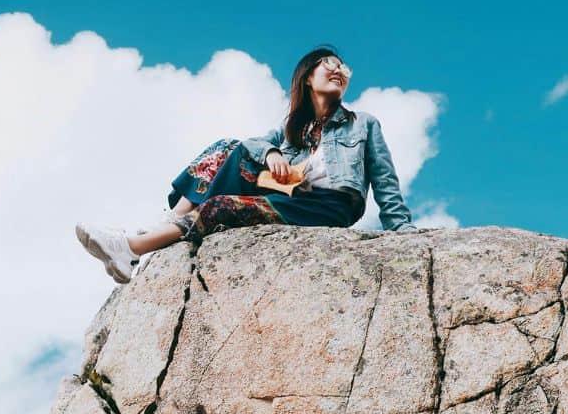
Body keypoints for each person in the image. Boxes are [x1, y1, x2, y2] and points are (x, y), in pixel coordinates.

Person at [75, 45, 418, 284]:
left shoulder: (363, 124)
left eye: (342, 67)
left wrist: (404, 233)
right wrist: (272, 154)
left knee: (222, 195)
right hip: (291, 198)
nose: (338, 70)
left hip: (330, 207)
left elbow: (385, 182)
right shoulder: (289, 133)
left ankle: (133, 247)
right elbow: (247, 146)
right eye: (328, 63)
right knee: (229, 152)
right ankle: (171, 223)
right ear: (307, 77)